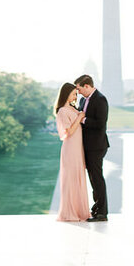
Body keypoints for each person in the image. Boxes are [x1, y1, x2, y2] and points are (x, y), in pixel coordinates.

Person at [73, 74, 109, 221]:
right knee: (93, 179)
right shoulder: (83, 100)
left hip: (96, 146)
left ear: (87, 86)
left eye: (79, 89)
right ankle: (96, 208)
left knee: (97, 179)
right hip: (87, 146)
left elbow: (101, 124)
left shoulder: (100, 99)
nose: (78, 92)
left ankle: (102, 213)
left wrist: (83, 119)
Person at [54, 83, 90, 222]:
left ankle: (80, 211)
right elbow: (68, 132)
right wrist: (79, 117)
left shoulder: (73, 108)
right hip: (70, 149)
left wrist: (79, 115)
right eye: (74, 94)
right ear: (66, 94)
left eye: (76, 94)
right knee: (70, 180)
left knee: (78, 178)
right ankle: (69, 213)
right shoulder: (62, 111)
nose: (75, 97)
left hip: (77, 148)